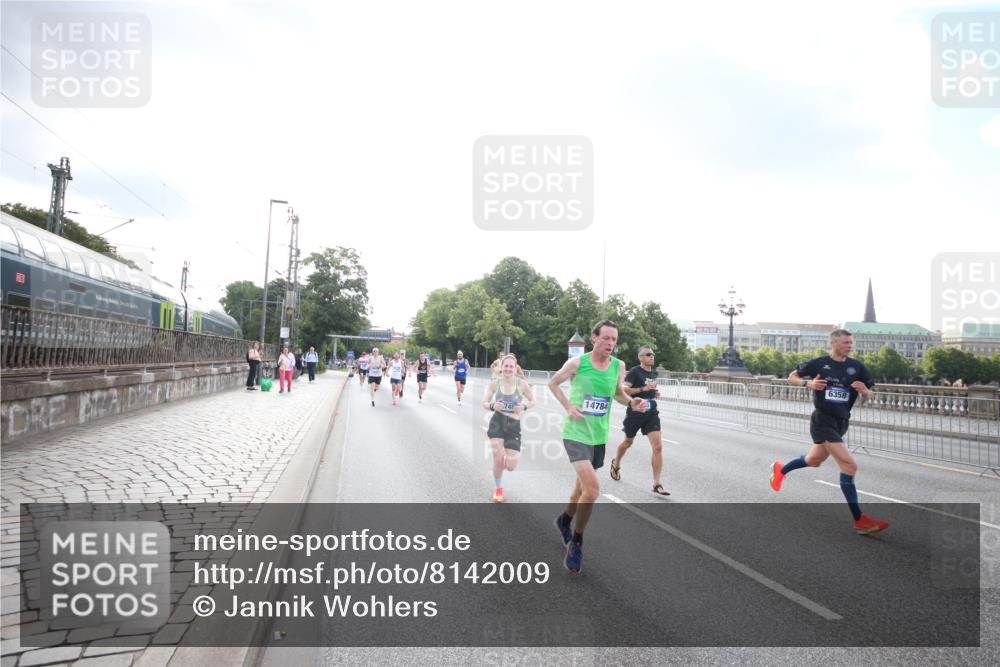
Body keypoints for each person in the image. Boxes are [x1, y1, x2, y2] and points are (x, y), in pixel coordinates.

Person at [548, 320, 647, 573]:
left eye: (614, 339)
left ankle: (564, 521)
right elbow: (553, 383)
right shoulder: (577, 363)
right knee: (592, 491)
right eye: (606, 338)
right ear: (594, 339)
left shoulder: (618, 366)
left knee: (579, 491)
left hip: (598, 436)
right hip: (575, 434)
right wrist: (569, 406)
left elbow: (617, 393)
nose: (611, 344)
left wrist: (631, 402)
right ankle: (577, 541)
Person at [770, 329, 887, 535]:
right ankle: (860, 519)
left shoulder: (857, 367)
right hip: (822, 420)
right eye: (845, 342)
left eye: (851, 342)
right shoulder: (819, 363)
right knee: (849, 465)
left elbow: (870, 394)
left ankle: (780, 470)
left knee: (814, 460)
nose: (850, 345)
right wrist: (809, 383)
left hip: (841, 421)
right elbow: (792, 377)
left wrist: (865, 392)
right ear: (833, 343)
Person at [609, 346, 669, 496]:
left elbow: (650, 389)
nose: (652, 356)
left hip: (651, 412)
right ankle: (616, 463)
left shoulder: (654, 372)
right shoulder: (635, 371)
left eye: (653, 354)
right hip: (635, 412)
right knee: (628, 442)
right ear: (640, 357)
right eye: (648, 354)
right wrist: (643, 389)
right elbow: (624, 390)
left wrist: (654, 392)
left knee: (658, 447)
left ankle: (656, 483)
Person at [483, 354, 535, 502]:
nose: (508, 368)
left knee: (511, 466)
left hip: (513, 424)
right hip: (497, 422)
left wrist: (524, 406)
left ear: (515, 368)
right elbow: (485, 403)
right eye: (506, 366)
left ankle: (501, 466)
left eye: (511, 366)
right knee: (498, 460)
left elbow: (533, 401)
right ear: (502, 367)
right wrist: (493, 406)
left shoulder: (522, 384)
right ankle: (498, 490)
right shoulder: (494, 383)